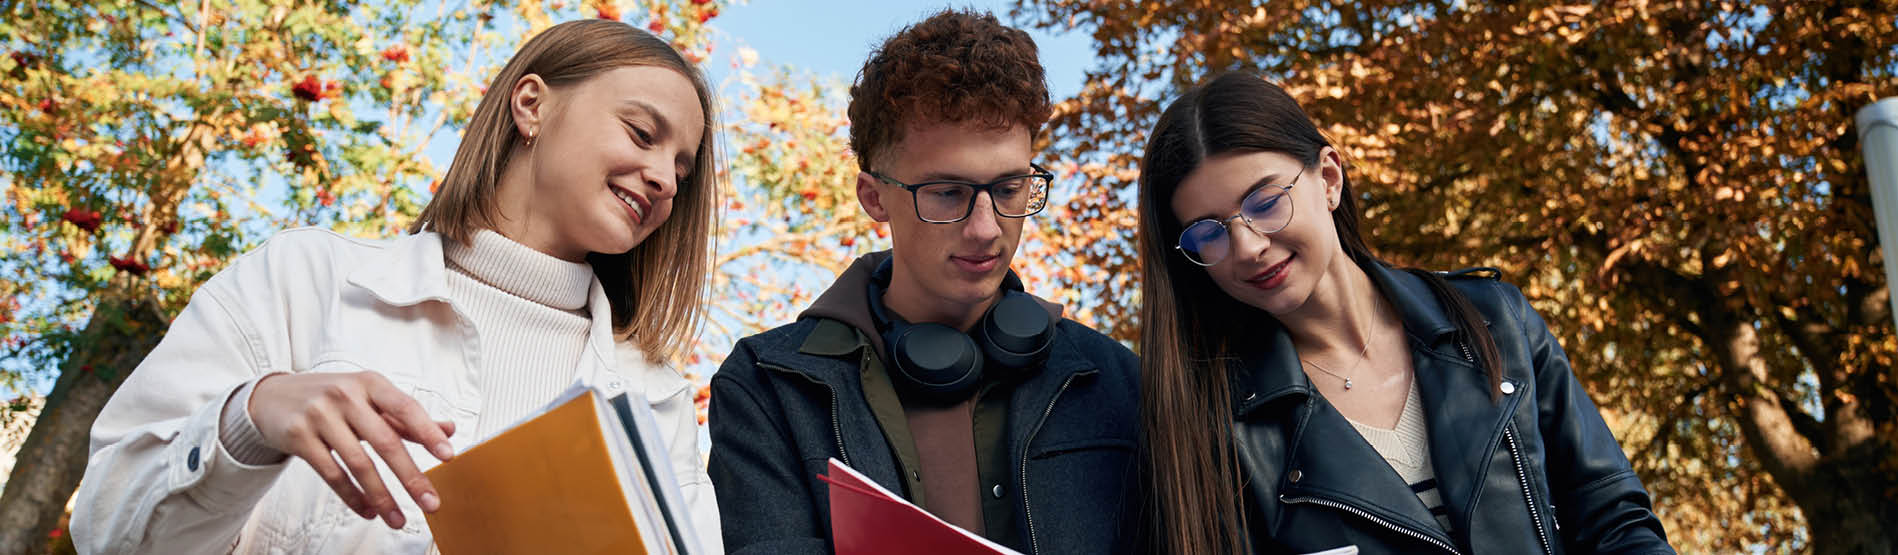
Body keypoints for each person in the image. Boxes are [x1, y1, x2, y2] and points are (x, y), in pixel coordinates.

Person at [72, 20, 724, 554]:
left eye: (681, 169)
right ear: (532, 104)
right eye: (643, 134)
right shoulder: (308, 281)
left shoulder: (654, 398)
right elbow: (108, 531)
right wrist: (250, 418)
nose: (665, 177)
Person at [1135, 71, 1675, 554]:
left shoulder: (1492, 320)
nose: (1248, 245)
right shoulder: (1213, 425)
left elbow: (1616, 521)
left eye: (1265, 202)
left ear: (1328, 178)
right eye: (1209, 233)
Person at [706, 9, 1140, 555]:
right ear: (873, 197)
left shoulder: (1120, 380)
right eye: (946, 193)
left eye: (1008, 189)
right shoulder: (766, 387)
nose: (986, 229)